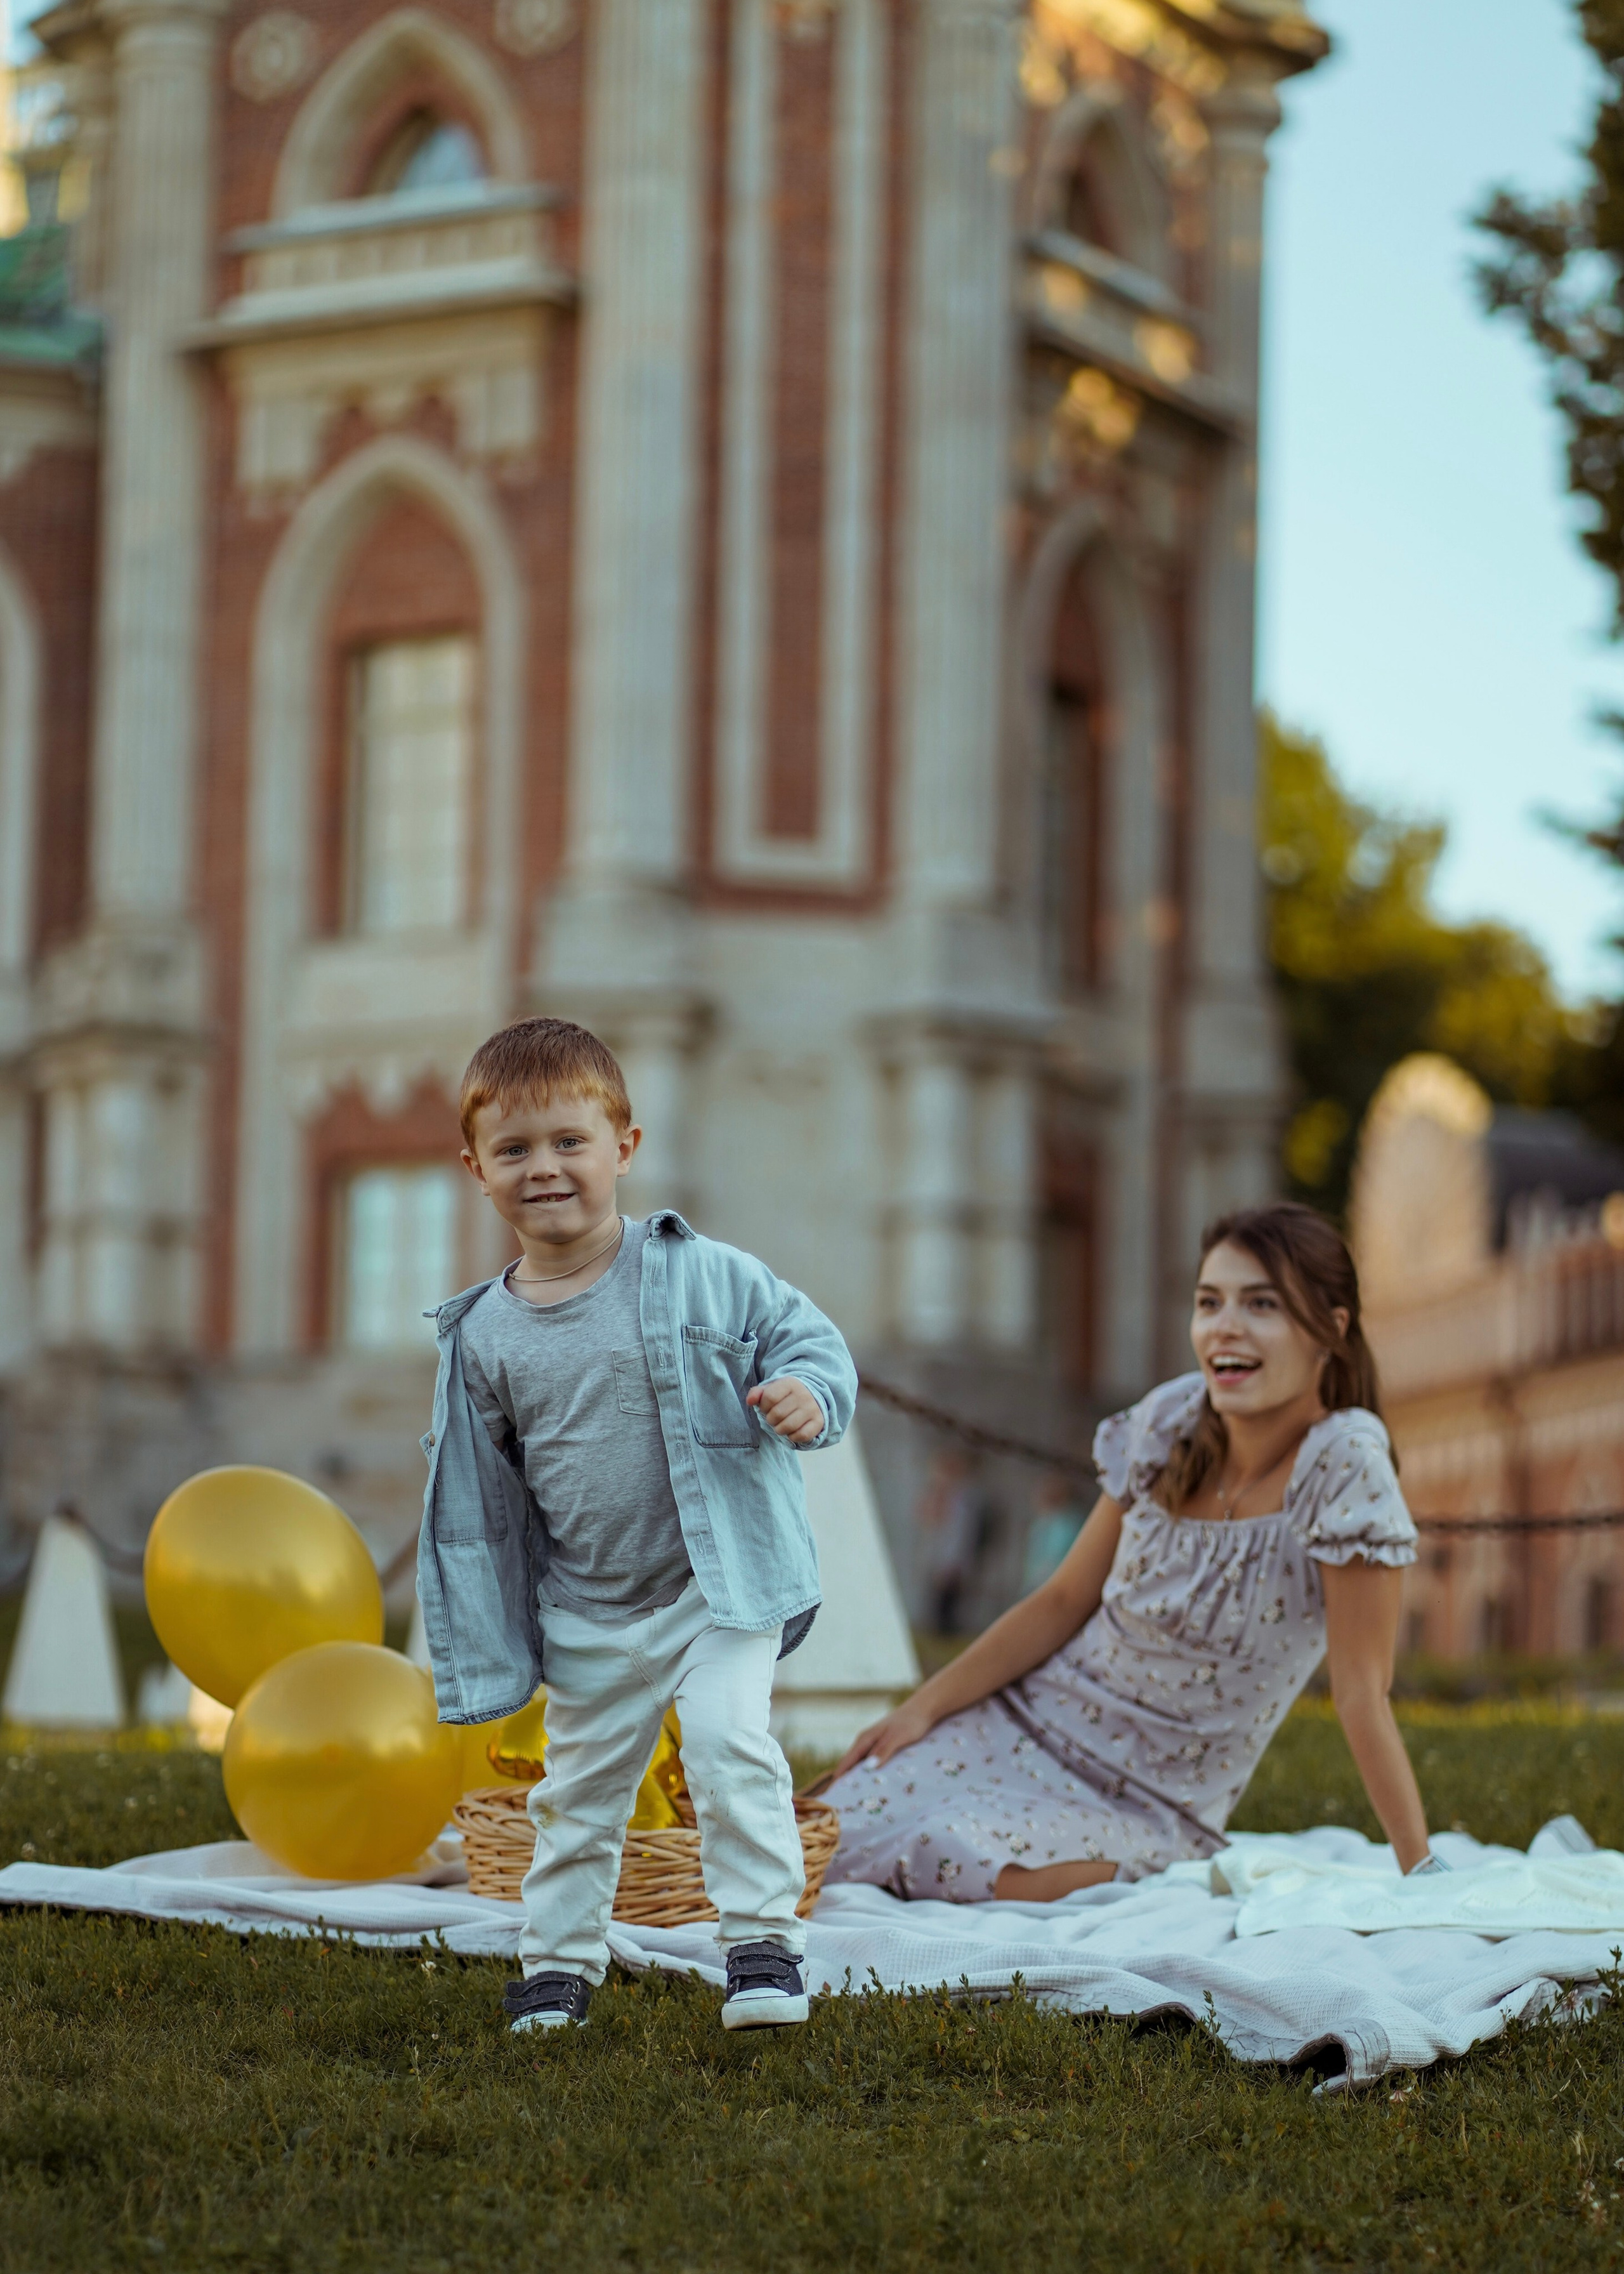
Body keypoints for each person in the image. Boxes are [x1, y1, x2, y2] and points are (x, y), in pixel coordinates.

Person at [415, 1017, 857, 2032]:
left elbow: (810, 1337)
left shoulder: (706, 1275)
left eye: (571, 1141)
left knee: (729, 1744)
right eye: (516, 1149)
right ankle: (559, 1964)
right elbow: (481, 1501)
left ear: (625, 1147)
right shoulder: (480, 1334)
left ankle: (762, 1949)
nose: (546, 1168)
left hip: (716, 1587)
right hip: (588, 1610)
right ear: (476, 1169)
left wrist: (805, 1392)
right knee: (575, 1800)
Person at [822, 1202, 1439, 1902]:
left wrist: (1419, 1870)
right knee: (828, 1821)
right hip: (1024, 1721)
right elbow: (1061, 1599)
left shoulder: (1345, 1464)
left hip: (1149, 1805)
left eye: (1262, 1304)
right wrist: (922, 1710)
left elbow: (1363, 1692)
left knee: (940, 1851)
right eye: (1210, 1302)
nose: (1225, 1325)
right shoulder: (1169, 1423)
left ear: (1330, 1330)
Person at [1021, 1471, 1087, 1594]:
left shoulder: (1068, 1524)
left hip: (1053, 1587)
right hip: (1038, 1586)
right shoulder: (1042, 1522)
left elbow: (1054, 1561)